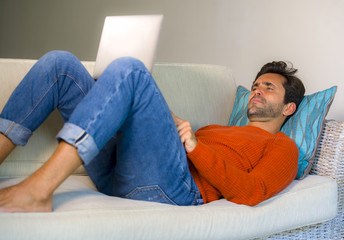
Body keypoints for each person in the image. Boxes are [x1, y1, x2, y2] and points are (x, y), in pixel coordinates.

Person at [0, 51, 305, 212]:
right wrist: (168, 119)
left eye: (268, 88)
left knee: (131, 69)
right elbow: (165, 147)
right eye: (254, 86)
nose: (256, 91)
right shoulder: (216, 129)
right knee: (60, 64)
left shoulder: (283, 146)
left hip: (176, 191)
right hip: (126, 172)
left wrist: (195, 147)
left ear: (288, 108)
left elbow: (252, 192)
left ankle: (38, 191)